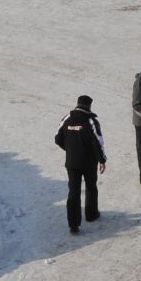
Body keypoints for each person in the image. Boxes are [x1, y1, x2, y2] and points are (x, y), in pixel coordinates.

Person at [54, 94, 106, 234]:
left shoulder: (66, 119)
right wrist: (102, 160)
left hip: (72, 162)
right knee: (90, 187)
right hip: (89, 162)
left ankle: (73, 225)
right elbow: (98, 142)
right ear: (89, 106)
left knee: (73, 191)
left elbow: (58, 138)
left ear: (77, 104)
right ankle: (91, 215)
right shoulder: (91, 122)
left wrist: (70, 149)